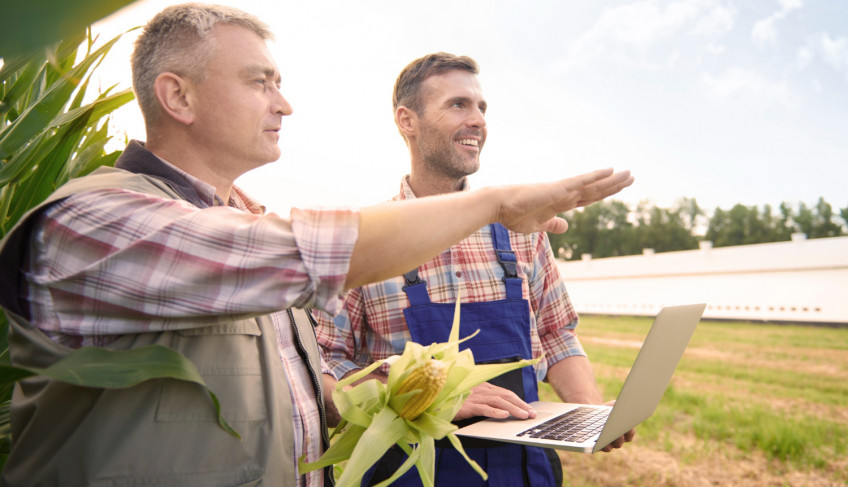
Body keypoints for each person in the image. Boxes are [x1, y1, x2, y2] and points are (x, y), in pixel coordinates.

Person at [0, 5, 633, 486]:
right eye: (260, 82)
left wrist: (420, 393)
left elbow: (308, 389)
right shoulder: (95, 220)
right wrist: (492, 204)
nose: (286, 104)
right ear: (178, 96)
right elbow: (302, 255)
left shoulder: (236, 223)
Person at [315, 52, 636, 487]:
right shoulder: (366, 241)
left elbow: (558, 333)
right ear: (407, 120)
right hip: (408, 472)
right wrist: (424, 394)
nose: (478, 120)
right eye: (457, 105)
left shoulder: (524, 230)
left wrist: (589, 411)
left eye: (481, 108)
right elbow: (326, 364)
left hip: (523, 471)